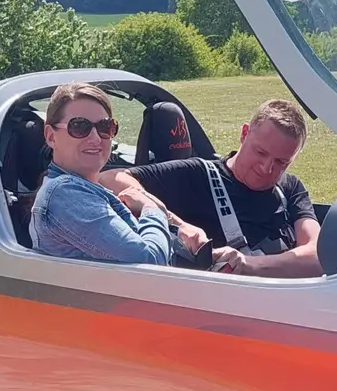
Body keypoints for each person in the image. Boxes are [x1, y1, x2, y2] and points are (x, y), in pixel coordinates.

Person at [100, 98, 321, 278]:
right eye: (260, 153)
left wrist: (248, 265)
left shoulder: (290, 188)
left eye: (281, 162)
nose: (267, 168)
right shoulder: (197, 176)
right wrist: (173, 221)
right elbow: (110, 178)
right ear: (244, 134)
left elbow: (317, 255)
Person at [29, 82, 172, 265]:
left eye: (105, 127)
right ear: (51, 136)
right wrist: (150, 209)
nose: (96, 138)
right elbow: (151, 261)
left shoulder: (88, 188)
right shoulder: (64, 193)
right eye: (79, 126)